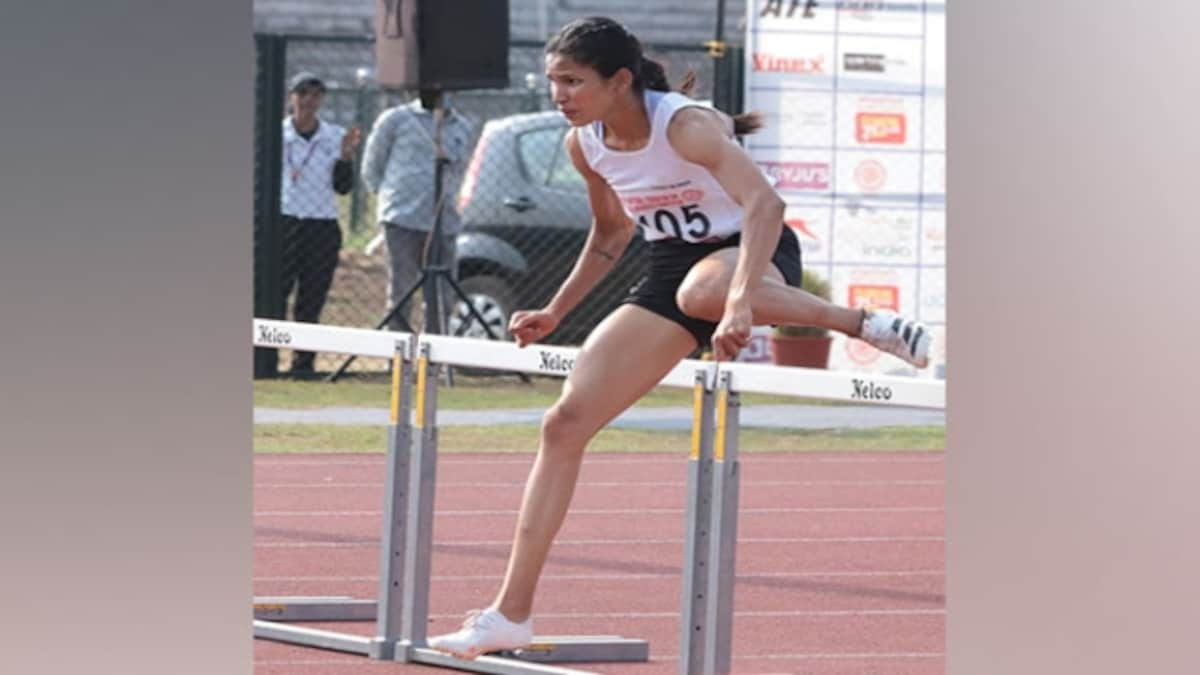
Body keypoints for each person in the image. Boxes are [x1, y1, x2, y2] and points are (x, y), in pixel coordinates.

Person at [427, 17, 932, 659]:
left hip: (750, 252)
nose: (559, 94)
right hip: (671, 269)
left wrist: (742, 299)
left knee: (704, 291)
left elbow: (766, 207)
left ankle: (867, 325)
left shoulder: (685, 126)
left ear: (619, 80)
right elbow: (611, 235)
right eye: (552, 80)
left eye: (573, 81)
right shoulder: (587, 143)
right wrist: (556, 310)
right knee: (564, 423)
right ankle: (509, 616)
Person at [361, 88, 476, 333]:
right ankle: (398, 358)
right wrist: (392, 199)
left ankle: (433, 360)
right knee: (401, 291)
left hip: (443, 222)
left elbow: (461, 171)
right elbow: (372, 166)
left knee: (441, 295)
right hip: (403, 218)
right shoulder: (396, 120)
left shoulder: (462, 127)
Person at [279, 72, 361, 377]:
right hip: (284, 221)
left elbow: (343, 188)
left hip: (321, 224)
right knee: (274, 295)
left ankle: (303, 364)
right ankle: (265, 360)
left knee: (311, 298)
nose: (309, 101)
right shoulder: (277, 134)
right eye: (303, 94)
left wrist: (346, 158)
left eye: (315, 95)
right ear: (291, 97)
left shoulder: (334, 136)